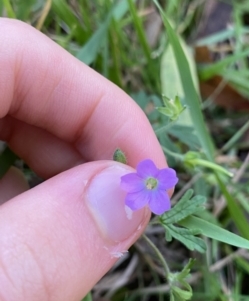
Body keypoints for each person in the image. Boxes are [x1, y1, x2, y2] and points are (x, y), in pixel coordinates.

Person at [0, 18, 168, 300]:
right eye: (150, 180)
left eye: (152, 182)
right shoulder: (135, 179)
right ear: (148, 176)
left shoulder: (154, 184)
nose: (151, 182)